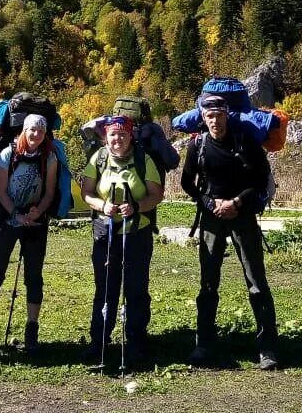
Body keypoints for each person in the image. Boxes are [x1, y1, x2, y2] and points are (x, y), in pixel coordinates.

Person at [181, 93, 279, 369]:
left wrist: (236, 203)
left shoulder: (245, 141)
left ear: (227, 115)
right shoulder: (197, 145)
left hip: (243, 215)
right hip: (212, 217)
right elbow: (188, 182)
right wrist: (211, 203)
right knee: (208, 283)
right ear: (203, 117)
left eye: (219, 116)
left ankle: (267, 348)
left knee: (256, 281)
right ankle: (204, 345)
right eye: (209, 116)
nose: (215, 121)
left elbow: (260, 180)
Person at [80, 115, 163, 368]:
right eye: (112, 135)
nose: (117, 139)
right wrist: (102, 205)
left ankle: (136, 342)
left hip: (137, 233)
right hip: (105, 232)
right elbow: (87, 192)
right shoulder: (99, 158)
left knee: (136, 288)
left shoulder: (143, 159)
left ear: (131, 136)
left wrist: (136, 207)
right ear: (106, 137)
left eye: (122, 135)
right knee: (105, 288)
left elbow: (156, 195)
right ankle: (100, 342)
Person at [0, 113, 57, 355]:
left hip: (36, 222)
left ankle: (32, 329)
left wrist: (37, 212)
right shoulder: (7, 154)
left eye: (40, 132)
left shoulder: (49, 157)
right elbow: (0, 192)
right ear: (23, 130)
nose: (36, 135)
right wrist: (16, 214)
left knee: (34, 276)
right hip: (7, 220)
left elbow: (50, 193)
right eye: (32, 130)